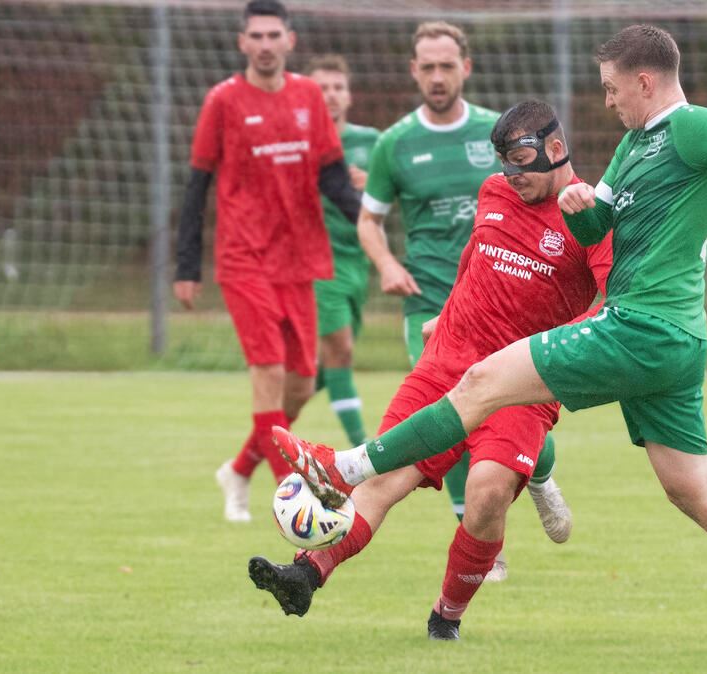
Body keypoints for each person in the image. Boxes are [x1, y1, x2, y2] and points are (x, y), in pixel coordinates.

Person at [279, 25, 707, 651]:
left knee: (482, 381)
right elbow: (595, 227)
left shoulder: (691, 127)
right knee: (693, 489)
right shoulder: (631, 148)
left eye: (611, 88)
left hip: (640, 324)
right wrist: (581, 209)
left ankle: (345, 466)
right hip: (677, 344)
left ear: (644, 81)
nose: (606, 101)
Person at [249, 100, 611, 641]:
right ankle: (305, 575)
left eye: (520, 161)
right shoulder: (495, 192)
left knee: (486, 494)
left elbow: (609, 304)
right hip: (447, 362)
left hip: (520, 383)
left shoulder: (592, 218)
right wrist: (446, 312)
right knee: (384, 477)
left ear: (555, 149)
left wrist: (560, 355)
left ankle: (447, 616)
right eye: (504, 163)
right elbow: (476, 257)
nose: (511, 175)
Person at [354, 21, 571, 579]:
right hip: (430, 300)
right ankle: (477, 536)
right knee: (447, 414)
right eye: (426, 66)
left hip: (510, 302)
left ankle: (539, 471)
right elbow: (369, 221)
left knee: (504, 408)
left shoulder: (500, 137)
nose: (437, 76)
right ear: (413, 71)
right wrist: (387, 265)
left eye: (446, 65)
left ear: (465, 68)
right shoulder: (394, 143)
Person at [173, 0, 362, 522]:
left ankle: (239, 469)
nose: (264, 45)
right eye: (255, 36)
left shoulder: (308, 97)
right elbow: (197, 184)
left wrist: (366, 223)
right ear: (242, 43)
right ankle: (294, 498)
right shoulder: (223, 100)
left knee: (300, 383)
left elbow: (333, 176)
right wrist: (186, 264)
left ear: (289, 41)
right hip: (244, 257)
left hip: (299, 258)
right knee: (269, 371)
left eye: (272, 35)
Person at [306, 53, 380, 448]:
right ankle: (361, 451)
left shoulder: (372, 143)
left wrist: (373, 187)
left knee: (325, 365)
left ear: (349, 96)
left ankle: (260, 438)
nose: (331, 95)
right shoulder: (297, 144)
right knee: (342, 351)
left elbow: (394, 199)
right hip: (316, 263)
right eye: (322, 88)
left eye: (338, 88)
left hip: (357, 262)